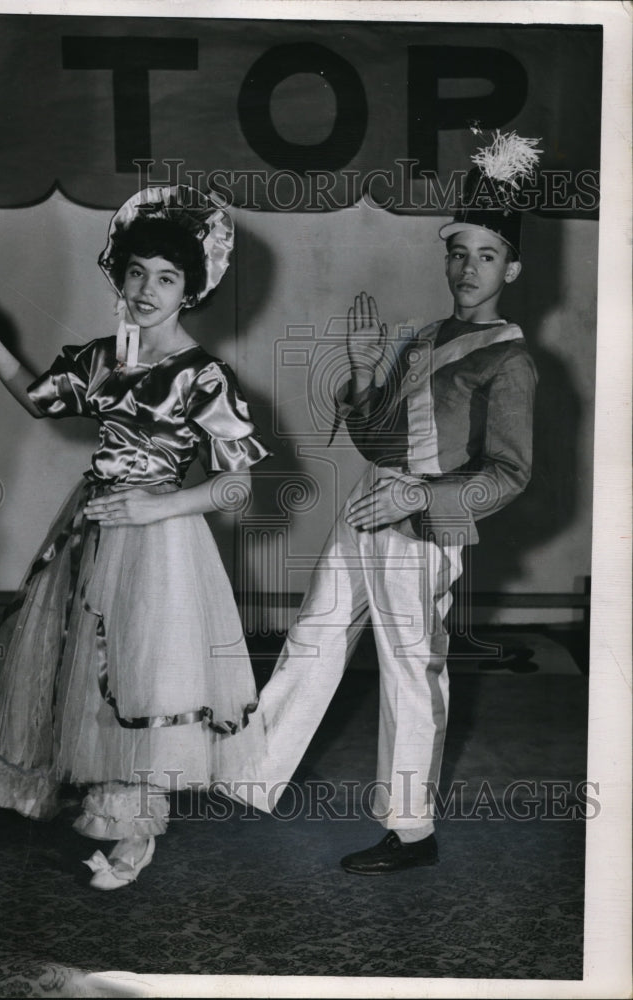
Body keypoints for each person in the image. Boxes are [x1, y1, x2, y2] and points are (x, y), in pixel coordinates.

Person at [0, 185, 271, 890]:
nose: (147, 289)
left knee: (136, 682)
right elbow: (37, 400)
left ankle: (130, 831)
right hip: (87, 525)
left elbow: (238, 482)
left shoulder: (202, 376)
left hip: (157, 543)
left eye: (167, 278)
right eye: (138, 273)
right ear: (119, 276)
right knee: (45, 663)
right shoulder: (104, 359)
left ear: (189, 291)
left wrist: (157, 509)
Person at [229, 133, 540, 875]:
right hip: (370, 503)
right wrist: (368, 372)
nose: (468, 270)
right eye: (459, 253)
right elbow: (374, 439)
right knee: (315, 636)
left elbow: (510, 472)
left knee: (410, 668)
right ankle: (246, 775)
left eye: (487, 257)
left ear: (513, 269)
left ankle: (411, 831)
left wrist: (426, 495)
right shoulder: (427, 337)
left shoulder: (511, 357)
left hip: (428, 522)